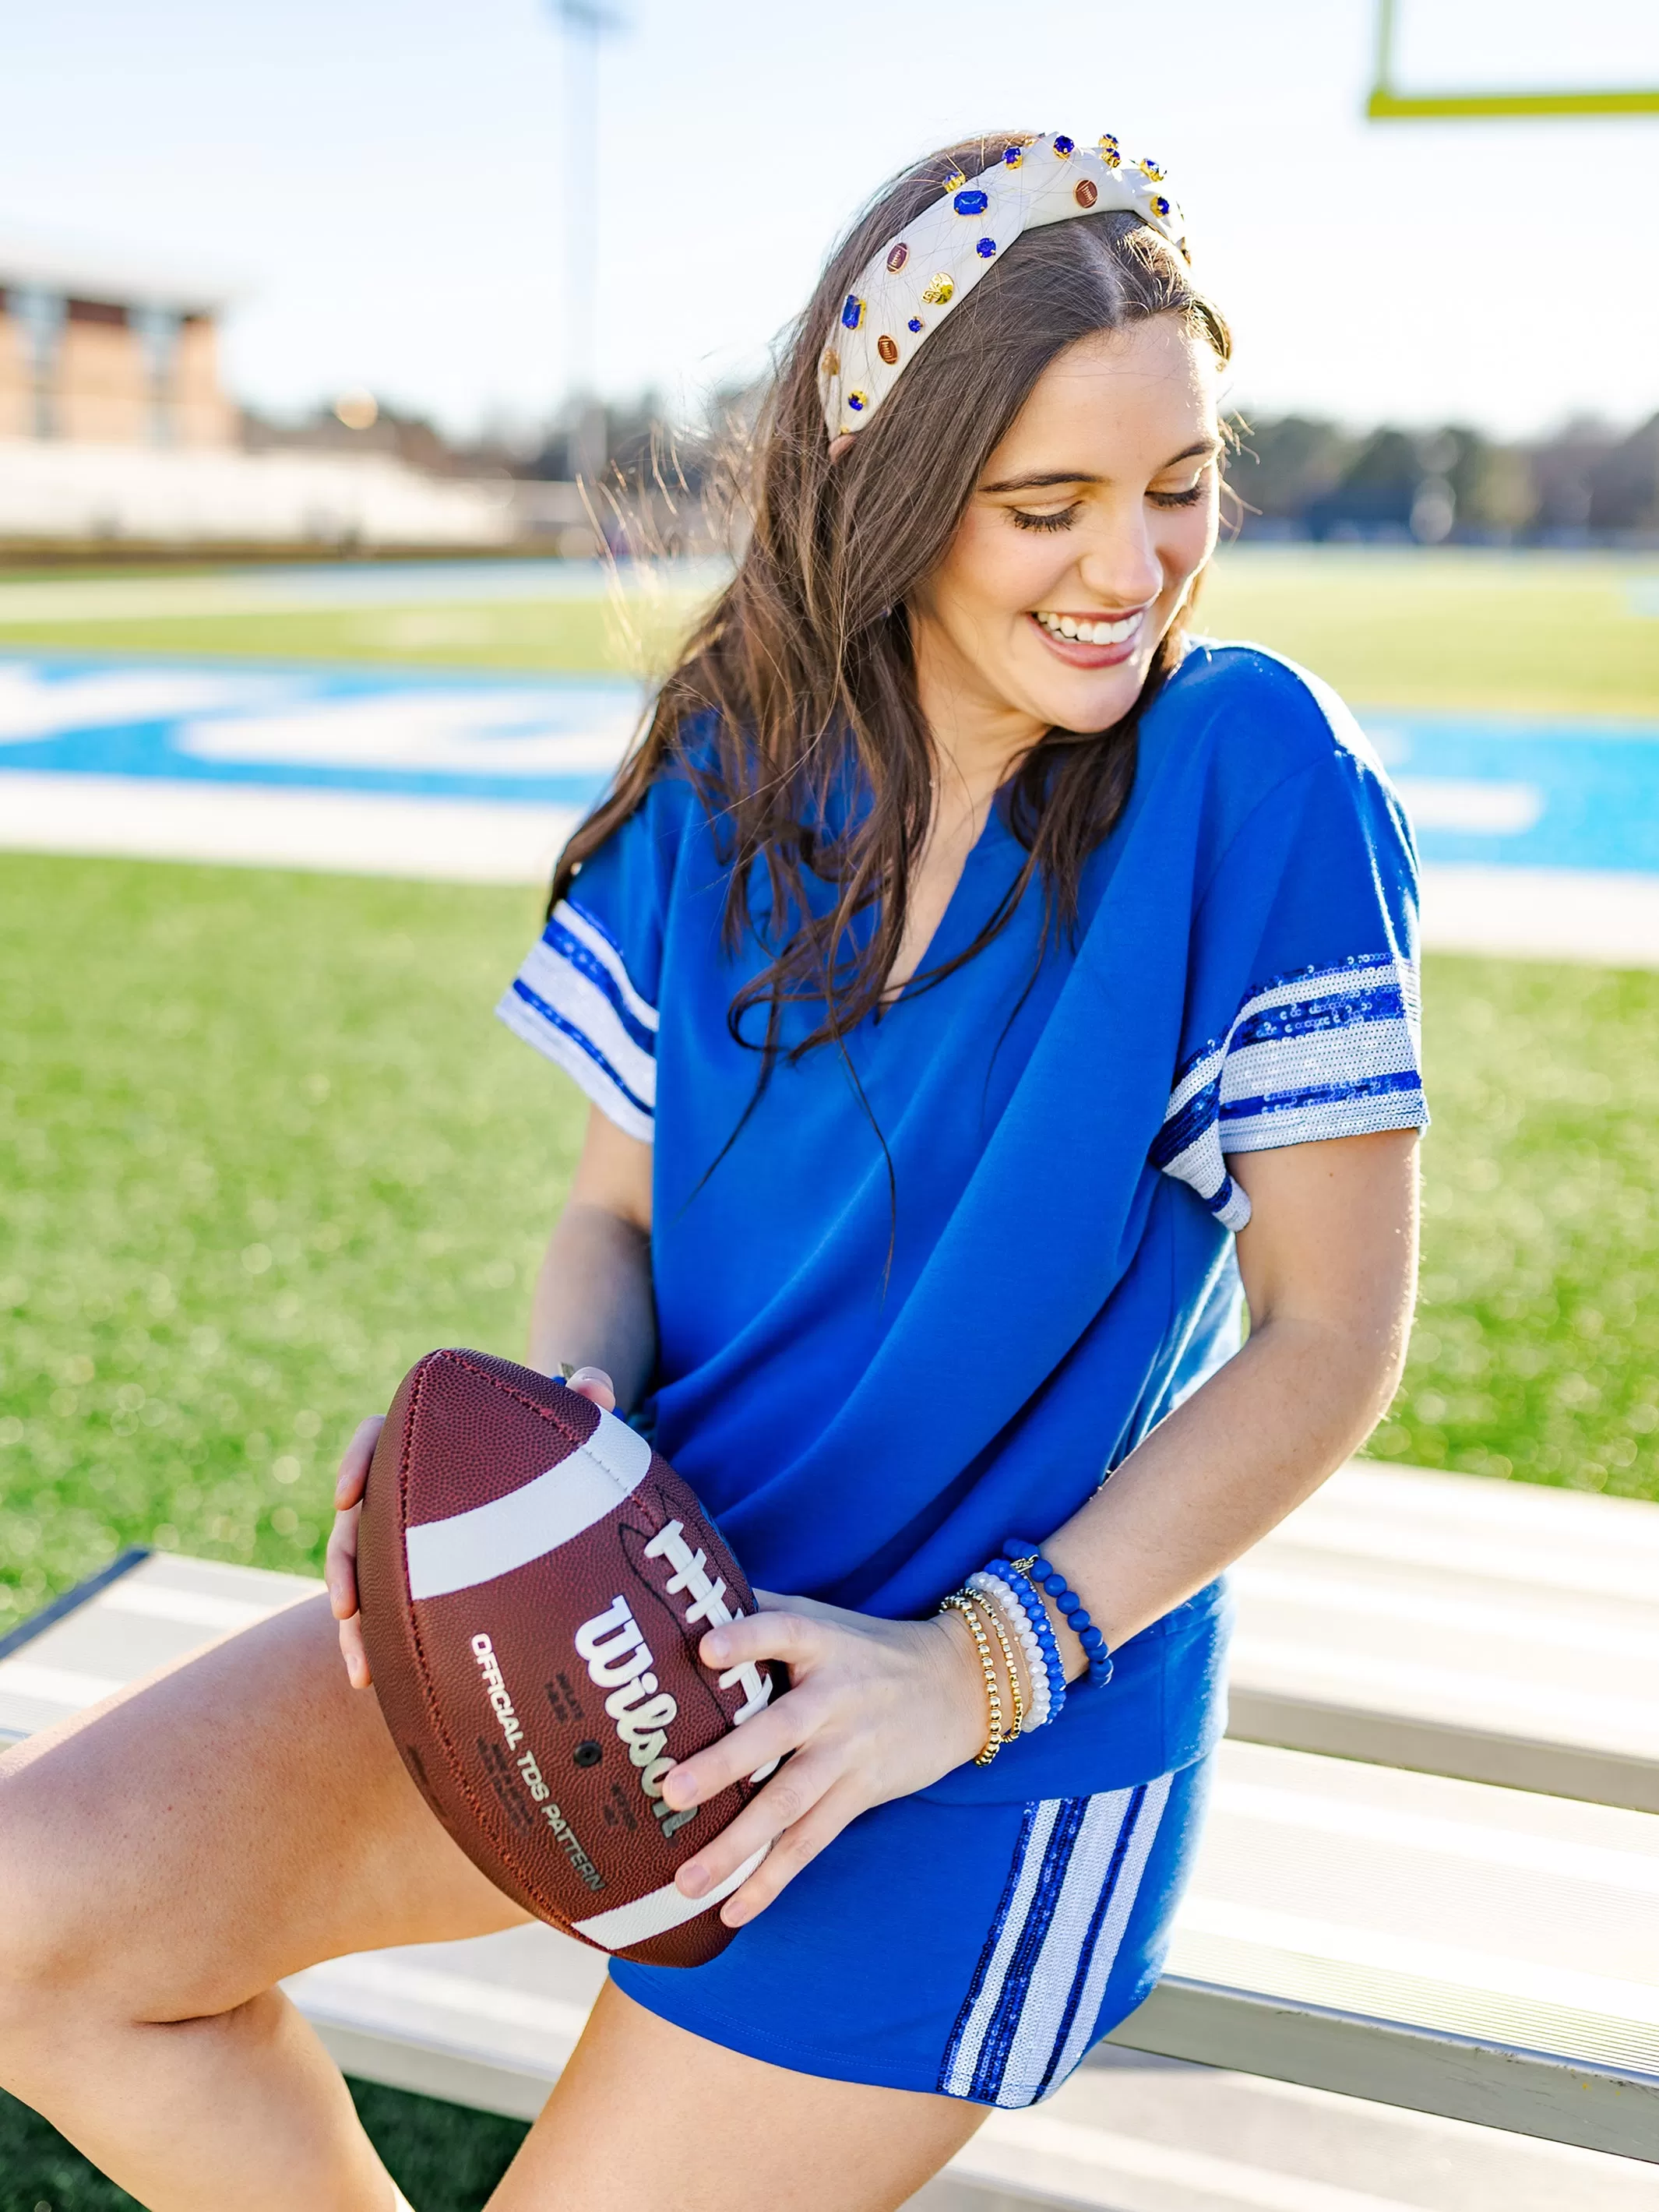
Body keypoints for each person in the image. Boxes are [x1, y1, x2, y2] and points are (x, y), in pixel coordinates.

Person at [0, 131, 1424, 2211]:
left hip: (981, 1729)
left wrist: (973, 1669)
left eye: (1184, 487)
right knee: (42, 1931)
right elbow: (613, 1216)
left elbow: (1331, 1338)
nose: (1133, 567)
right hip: (643, 1617)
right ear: (897, 496)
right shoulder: (730, 770)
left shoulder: (1255, 773)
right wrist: (538, 1449)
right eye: (1052, 506)